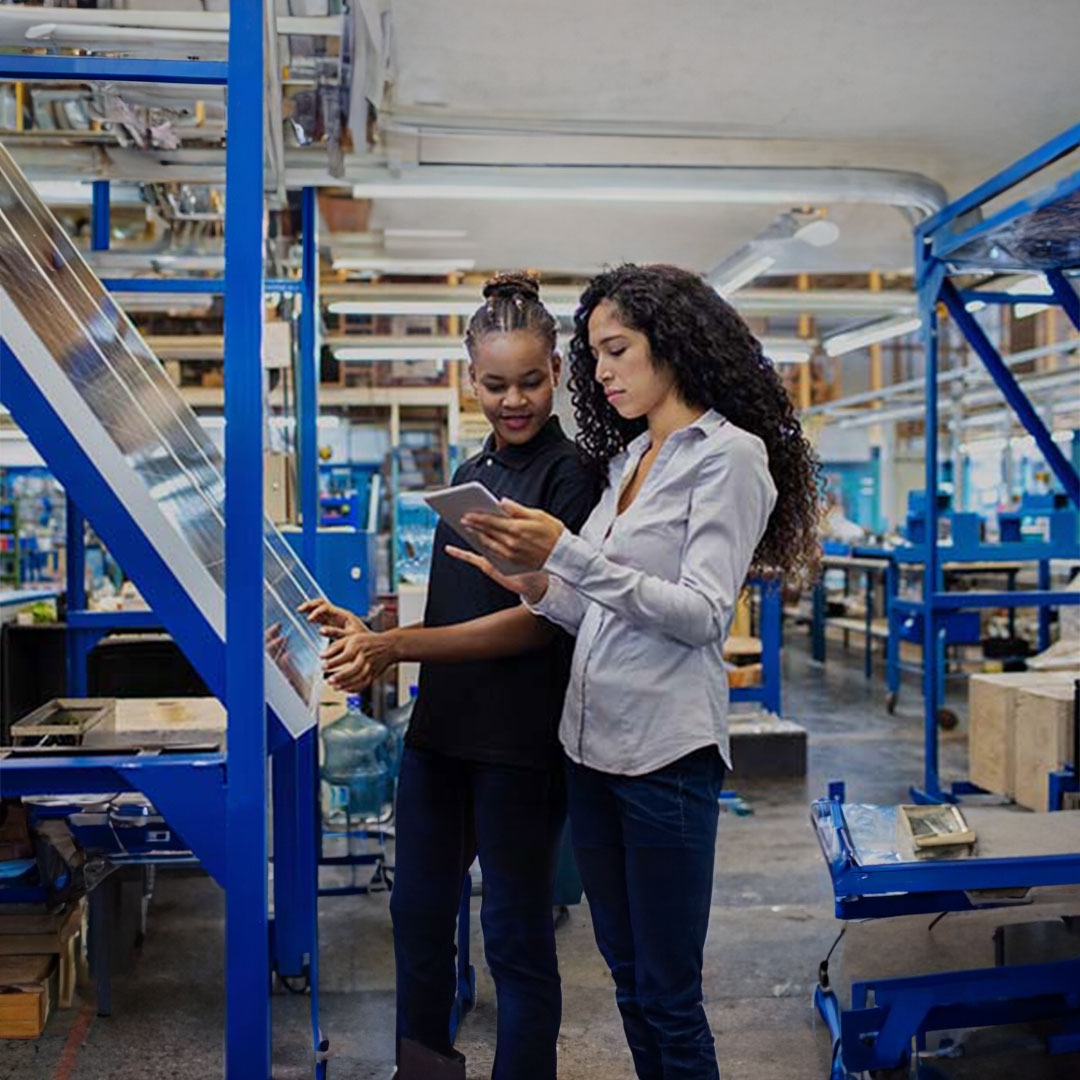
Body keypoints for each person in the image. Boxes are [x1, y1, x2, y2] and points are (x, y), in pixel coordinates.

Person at [448, 264, 821, 1080]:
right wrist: (541, 586)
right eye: (594, 355)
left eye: (617, 350)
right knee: (628, 984)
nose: (602, 372)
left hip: (664, 762)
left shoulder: (728, 458)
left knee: (669, 996)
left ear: (674, 344)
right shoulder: (626, 466)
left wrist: (569, 552)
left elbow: (699, 614)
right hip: (592, 755)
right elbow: (605, 610)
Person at [300, 272, 597, 1080]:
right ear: (468, 378)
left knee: (515, 934)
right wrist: (377, 631)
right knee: (420, 915)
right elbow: (458, 603)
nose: (515, 400)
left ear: (559, 375)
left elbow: (541, 619)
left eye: (531, 381)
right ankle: (424, 1068)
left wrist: (401, 649)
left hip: (519, 745)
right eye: (496, 383)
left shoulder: (570, 480)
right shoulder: (472, 473)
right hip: (442, 735)